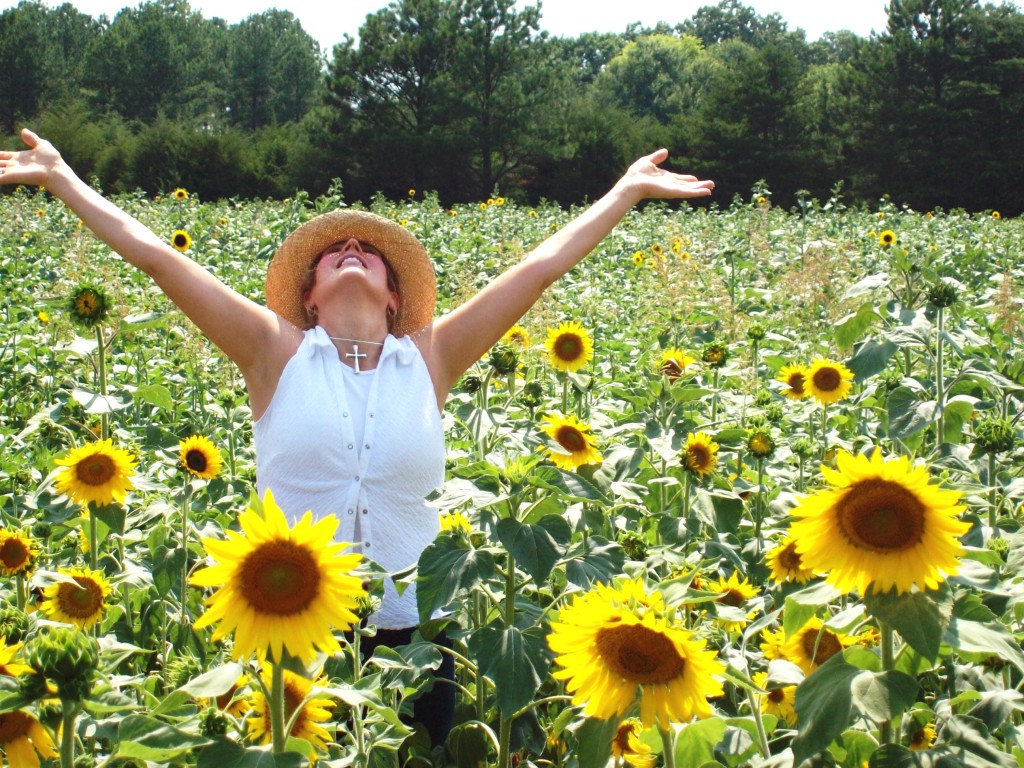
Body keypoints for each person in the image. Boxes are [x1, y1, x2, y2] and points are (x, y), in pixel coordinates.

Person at [0, 128, 714, 743]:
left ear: (396, 298)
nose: (350, 247)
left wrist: (624, 192)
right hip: (294, 628)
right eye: (333, 249)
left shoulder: (429, 359)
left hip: (422, 635)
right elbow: (158, 258)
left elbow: (540, 268)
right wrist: (63, 180)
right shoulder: (272, 353)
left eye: (368, 250)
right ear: (308, 297)